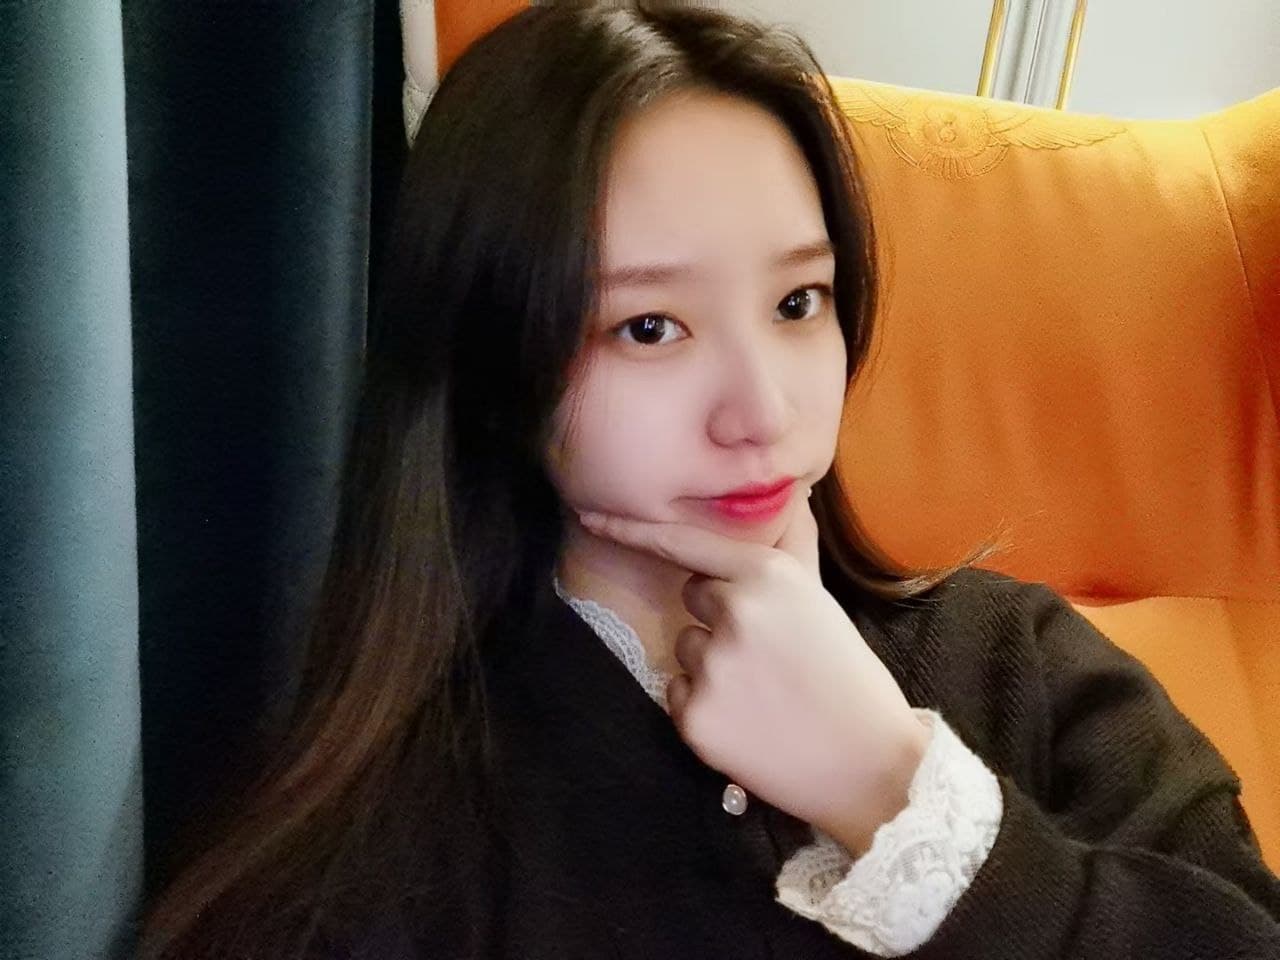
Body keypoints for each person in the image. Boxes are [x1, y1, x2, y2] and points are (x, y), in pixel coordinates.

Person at [138, 2, 1280, 957]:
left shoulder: (1019, 663)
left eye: (797, 303)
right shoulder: (382, 833)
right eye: (648, 326)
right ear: (493, 360)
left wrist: (895, 795)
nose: (764, 413)